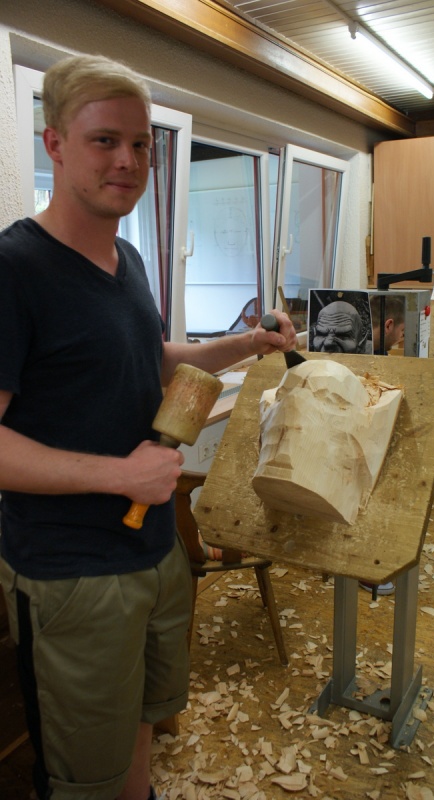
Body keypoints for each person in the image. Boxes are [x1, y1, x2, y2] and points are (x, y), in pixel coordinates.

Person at [0, 54, 297, 800]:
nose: (128, 161)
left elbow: (149, 357)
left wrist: (246, 344)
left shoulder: (125, 257)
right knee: (86, 776)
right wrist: (119, 475)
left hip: (153, 549)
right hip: (74, 573)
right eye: (104, 140)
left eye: (140, 143)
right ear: (54, 143)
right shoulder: (14, 270)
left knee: (141, 727)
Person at [362, 294, 434, 597]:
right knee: (426, 477)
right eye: (401, 332)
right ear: (388, 325)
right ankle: (367, 557)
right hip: (362, 448)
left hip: (379, 439)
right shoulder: (362, 357)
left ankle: (387, 541)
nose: (401, 339)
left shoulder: (380, 355)